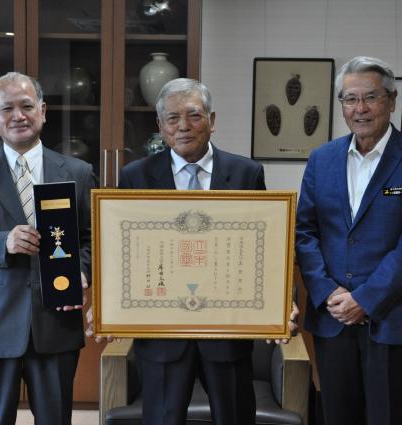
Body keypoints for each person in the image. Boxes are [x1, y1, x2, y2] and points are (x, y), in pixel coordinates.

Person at [94, 78, 264, 425]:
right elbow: (121, 251)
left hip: (226, 332)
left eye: (194, 115)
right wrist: (108, 304)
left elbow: (260, 249)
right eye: (172, 118)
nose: (183, 126)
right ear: (160, 126)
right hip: (162, 336)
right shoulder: (136, 176)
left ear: (212, 120)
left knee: (235, 417)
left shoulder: (246, 173)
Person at [0, 72, 95, 425]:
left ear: (43, 111)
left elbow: (90, 239)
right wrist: (3, 242)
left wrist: (81, 271)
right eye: (7, 108)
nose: (18, 116)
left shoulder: (78, 172)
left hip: (56, 322)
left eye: (27, 106)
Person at [295, 56, 402, 425]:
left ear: (392, 100)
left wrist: (365, 299)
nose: (359, 108)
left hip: (391, 317)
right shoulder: (322, 159)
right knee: (336, 416)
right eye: (350, 99)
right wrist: (326, 292)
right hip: (332, 318)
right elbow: (305, 231)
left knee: (387, 418)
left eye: (370, 97)